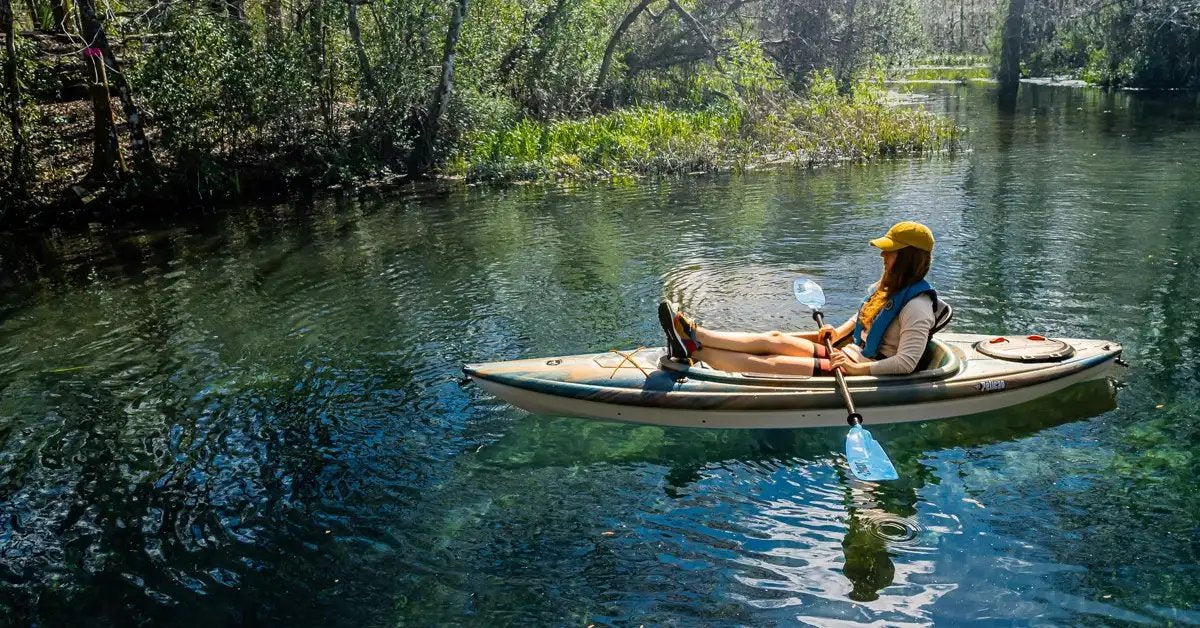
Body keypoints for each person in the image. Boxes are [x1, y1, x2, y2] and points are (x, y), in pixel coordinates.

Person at [658, 221, 939, 377]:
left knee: (768, 362)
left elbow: (906, 364)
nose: (883, 255)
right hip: (848, 354)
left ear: (908, 258)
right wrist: (839, 331)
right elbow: (866, 318)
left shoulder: (917, 308)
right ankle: (695, 334)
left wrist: (858, 370)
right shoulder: (889, 288)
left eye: (890, 251)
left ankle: (694, 352)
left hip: (858, 368)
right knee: (774, 339)